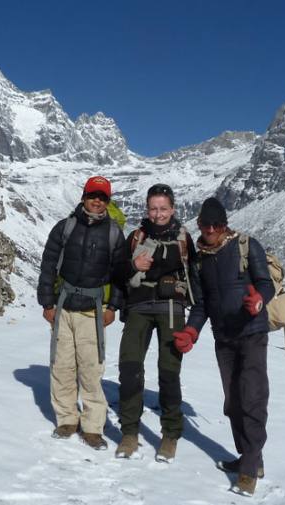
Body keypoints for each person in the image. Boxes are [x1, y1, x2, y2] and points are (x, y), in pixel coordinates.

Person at [172, 197, 274, 497]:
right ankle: (249, 456)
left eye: (217, 225)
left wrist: (258, 300)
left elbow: (265, 283)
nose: (212, 230)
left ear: (225, 224)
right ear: (200, 225)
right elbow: (202, 304)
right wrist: (192, 330)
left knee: (252, 397)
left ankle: (249, 468)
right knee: (233, 402)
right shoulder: (200, 258)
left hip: (252, 331)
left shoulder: (246, 245)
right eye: (206, 225)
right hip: (224, 336)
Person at [37, 175, 127, 451]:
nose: (96, 201)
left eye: (102, 197)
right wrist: (47, 303)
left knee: (91, 368)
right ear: (84, 197)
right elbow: (48, 265)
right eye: (92, 195)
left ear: (107, 201)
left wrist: (113, 307)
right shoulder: (65, 228)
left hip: (93, 310)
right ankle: (66, 419)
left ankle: (92, 427)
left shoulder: (113, 233)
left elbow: (121, 274)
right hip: (63, 306)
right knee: (62, 365)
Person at [115, 183, 197, 462]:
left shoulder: (184, 239)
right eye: (153, 208)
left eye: (163, 208)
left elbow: (194, 275)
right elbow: (116, 271)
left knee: (169, 372)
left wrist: (197, 318)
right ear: (147, 209)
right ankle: (129, 432)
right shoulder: (136, 237)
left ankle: (170, 434)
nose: (158, 214)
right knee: (129, 367)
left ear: (172, 209)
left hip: (171, 308)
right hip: (138, 306)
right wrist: (132, 267)